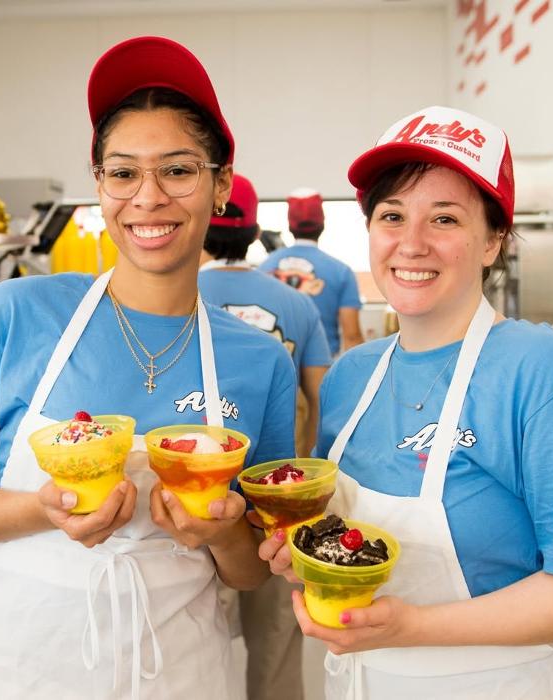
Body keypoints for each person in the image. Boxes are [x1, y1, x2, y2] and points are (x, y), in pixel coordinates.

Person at [0, 36, 297, 700]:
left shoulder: (258, 361)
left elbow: (251, 571)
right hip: (22, 666)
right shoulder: (15, 314)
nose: (147, 197)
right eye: (122, 172)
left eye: (177, 169)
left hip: (182, 670)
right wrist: (43, 508)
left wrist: (224, 529)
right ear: (100, 185)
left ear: (220, 185)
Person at [259, 105, 553, 699]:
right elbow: (339, 529)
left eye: (444, 218)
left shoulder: (548, 374)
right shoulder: (351, 377)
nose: (412, 244)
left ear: (494, 240)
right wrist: (309, 551)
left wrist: (413, 627)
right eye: (393, 215)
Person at [198, 173, 331, 700]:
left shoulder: (174, 289)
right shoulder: (293, 303)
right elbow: (319, 392)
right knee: (274, 629)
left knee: (193, 629)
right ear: (255, 233)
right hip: (274, 494)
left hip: (191, 498)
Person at [199, 173, 331, 456]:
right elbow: (322, 400)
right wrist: (302, 463)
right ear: (256, 234)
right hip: (272, 479)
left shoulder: (173, 299)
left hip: (192, 473)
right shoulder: (300, 303)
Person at [259, 188, 364, 357]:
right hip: (324, 368)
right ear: (322, 225)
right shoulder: (341, 272)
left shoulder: (264, 268)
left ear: (290, 226)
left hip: (275, 365)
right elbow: (352, 337)